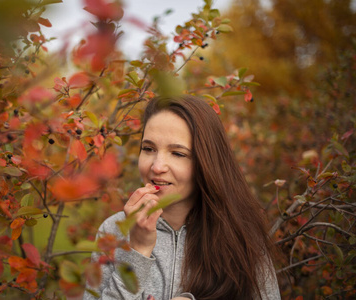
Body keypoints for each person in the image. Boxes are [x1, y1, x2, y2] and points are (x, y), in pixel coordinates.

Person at [83, 96, 281, 300]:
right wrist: (138, 251)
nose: (157, 167)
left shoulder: (241, 235)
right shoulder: (113, 230)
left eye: (177, 153)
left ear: (206, 162)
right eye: (149, 149)